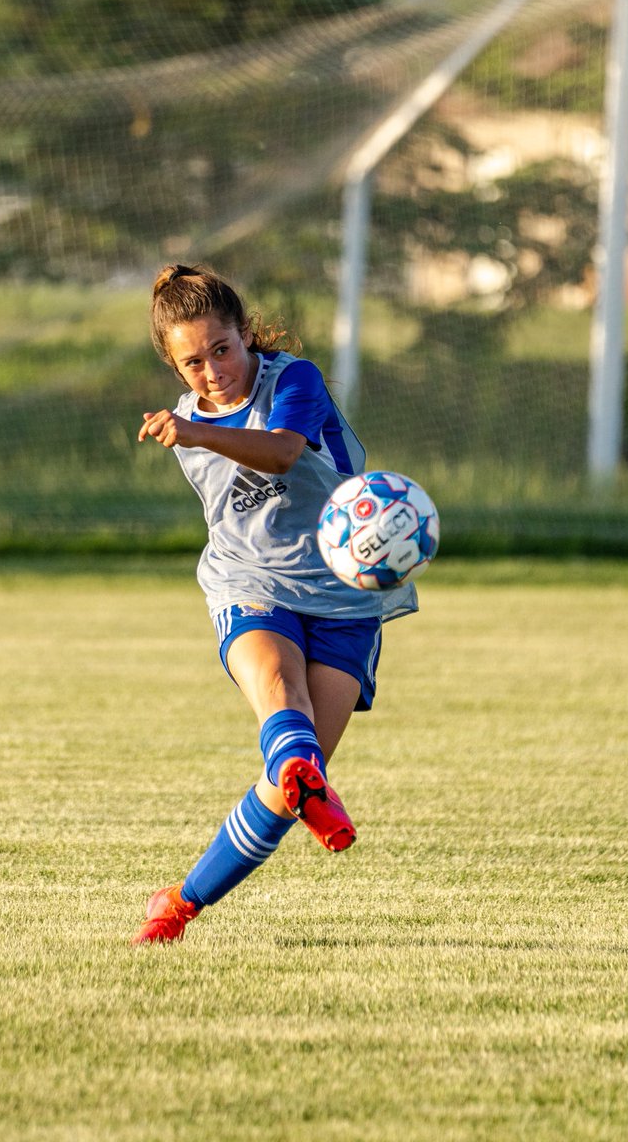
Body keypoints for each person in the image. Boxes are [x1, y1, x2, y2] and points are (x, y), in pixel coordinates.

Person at [132, 263, 418, 945]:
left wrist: (196, 432)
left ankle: (179, 900)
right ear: (175, 368)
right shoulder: (188, 423)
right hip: (251, 585)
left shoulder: (294, 380)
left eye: (221, 350)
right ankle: (176, 917)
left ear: (247, 337)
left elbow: (285, 453)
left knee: (293, 784)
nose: (212, 372)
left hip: (347, 594)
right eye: (192, 362)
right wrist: (194, 430)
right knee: (282, 698)